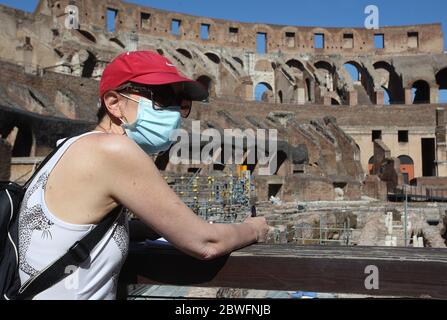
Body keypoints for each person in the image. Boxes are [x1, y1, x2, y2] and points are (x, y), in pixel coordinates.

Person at [17, 51, 269, 300]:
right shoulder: (115, 150)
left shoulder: (71, 145)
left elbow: (77, 228)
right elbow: (205, 243)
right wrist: (252, 230)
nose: (173, 112)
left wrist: (147, 228)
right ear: (114, 103)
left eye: (181, 103)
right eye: (162, 97)